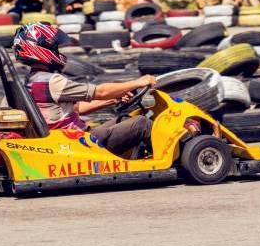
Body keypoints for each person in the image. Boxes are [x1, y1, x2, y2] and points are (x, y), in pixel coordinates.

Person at [13, 22, 156, 157]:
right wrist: (138, 82)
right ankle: (165, 165)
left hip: (63, 140)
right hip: (76, 143)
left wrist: (114, 99)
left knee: (124, 118)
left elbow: (76, 108)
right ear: (41, 49)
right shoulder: (52, 81)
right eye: (54, 47)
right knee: (142, 123)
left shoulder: (32, 80)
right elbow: (100, 92)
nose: (57, 51)